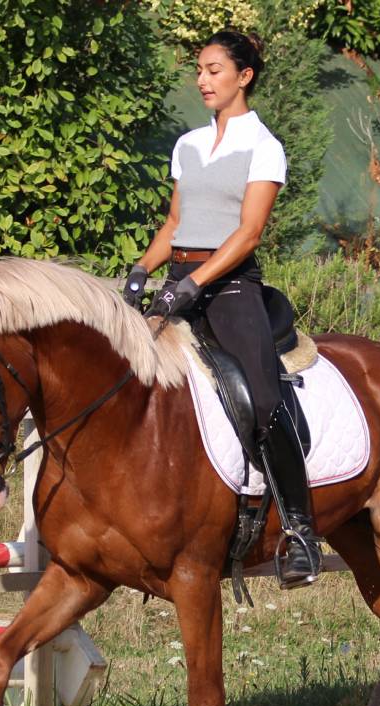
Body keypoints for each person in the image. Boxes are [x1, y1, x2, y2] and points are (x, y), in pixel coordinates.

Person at [121, 28, 321, 589]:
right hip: (179, 276)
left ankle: (301, 530)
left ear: (244, 76)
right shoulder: (187, 145)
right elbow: (175, 225)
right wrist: (141, 272)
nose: (203, 79)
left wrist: (193, 287)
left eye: (214, 70)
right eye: (201, 70)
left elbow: (250, 232)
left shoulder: (264, 146)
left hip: (230, 285)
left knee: (261, 396)